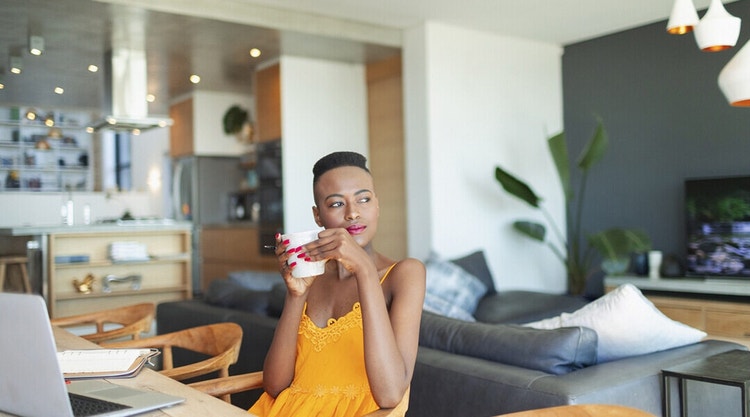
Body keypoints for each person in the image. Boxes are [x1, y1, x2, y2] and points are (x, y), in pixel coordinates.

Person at [249, 151, 426, 417]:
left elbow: (390, 394)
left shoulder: (404, 274)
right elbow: (275, 386)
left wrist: (364, 270)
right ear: (318, 216)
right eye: (335, 204)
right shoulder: (312, 275)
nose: (353, 213)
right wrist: (295, 295)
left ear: (377, 205)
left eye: (363, 199)